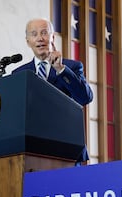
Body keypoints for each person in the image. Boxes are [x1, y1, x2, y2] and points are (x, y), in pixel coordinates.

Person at [12, 18, 93, 163]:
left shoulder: (72, 67)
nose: (40, 38)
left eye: (44, 33)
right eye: (34, 34)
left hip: (67, 149)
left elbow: (85, 98)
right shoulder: (19, 74)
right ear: (28, 41)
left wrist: (61, 70)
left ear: (52, 37)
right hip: (32, 151)